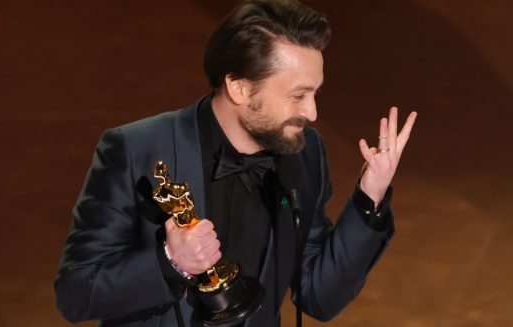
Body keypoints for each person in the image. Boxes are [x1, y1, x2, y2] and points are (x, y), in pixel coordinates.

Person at [54, 0, 417, 326]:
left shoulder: (304, 154)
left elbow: (319, 296)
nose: (312, 112)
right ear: (240, 88)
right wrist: (170, 262)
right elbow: (75, 294)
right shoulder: (136, 149)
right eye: (298, 95)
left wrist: (370, 197)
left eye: (314, 93)